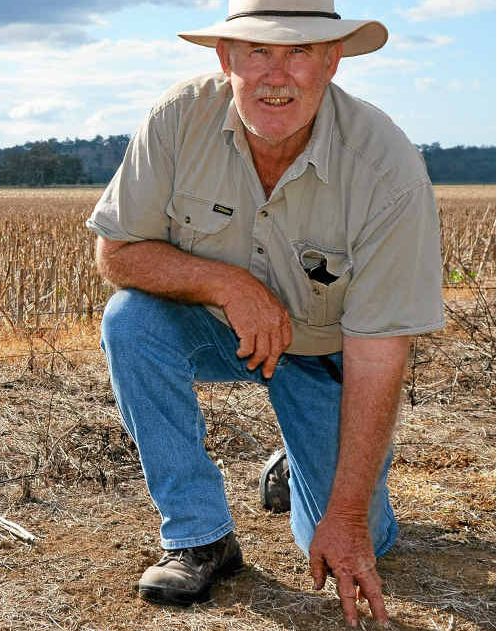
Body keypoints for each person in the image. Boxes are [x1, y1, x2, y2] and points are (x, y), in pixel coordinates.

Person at [86, 1, 444, 627]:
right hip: (223, 331)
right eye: (258, 52)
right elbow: (117, 254)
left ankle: (299, 456)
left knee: (353, 540)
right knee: (130, 322)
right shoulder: (176, 119)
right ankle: (200, 536)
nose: (277, 76)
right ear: (226, 59)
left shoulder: (387, 167)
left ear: (332, 62)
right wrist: (228, 284)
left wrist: (349, 516)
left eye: (300, 52)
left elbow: (380, 347)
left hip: (328, 354)